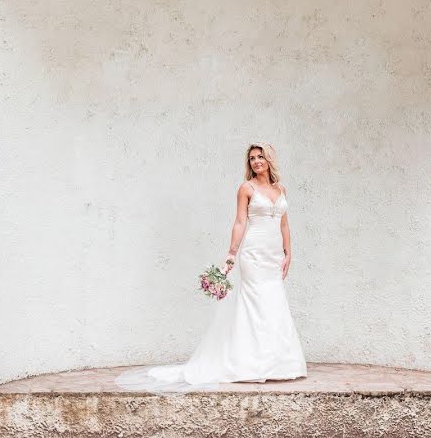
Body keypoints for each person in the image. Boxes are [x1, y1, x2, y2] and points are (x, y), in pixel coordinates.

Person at [114, 142, 308, 392]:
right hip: (252, 254)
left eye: (260, 156)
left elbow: (284, 225)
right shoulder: (246, 188)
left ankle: (279, 364)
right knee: (255, 303)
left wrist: (288, 252)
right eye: (252, 158)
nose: (256, 161)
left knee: (274, 300)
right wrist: (231, 254)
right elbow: (239, 222)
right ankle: (250, 364)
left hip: (273, 255)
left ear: (270, 159)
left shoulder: (281, 189)